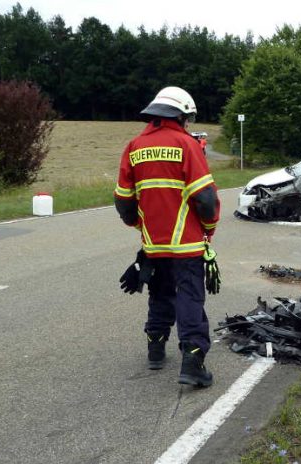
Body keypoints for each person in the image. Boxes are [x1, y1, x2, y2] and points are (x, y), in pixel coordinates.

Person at [114, 86, 220, 387]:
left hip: (153, 244)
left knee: (160, 294)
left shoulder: (134, 147)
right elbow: (206, 200)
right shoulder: (187, 146)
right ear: (181, 115)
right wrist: (208, 231)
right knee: (189, 298)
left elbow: (123, 201)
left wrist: (141, 227)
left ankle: (156, 350)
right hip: (186, 245)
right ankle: (193, 361)